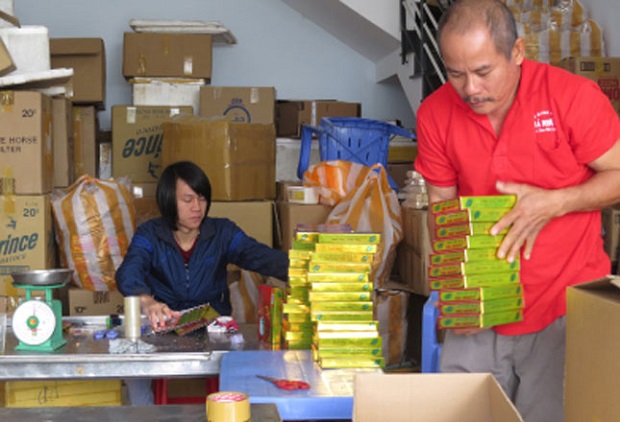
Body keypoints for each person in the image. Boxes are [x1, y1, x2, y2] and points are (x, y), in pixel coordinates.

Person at [414, 0, 620, 421]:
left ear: (518, 52)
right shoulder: (435, 114)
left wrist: (556, 202)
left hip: (564, 306)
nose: (470, 89)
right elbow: (441, 206)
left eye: (484, 71)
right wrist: (459, 295)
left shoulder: (572, 97)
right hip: (481, 309)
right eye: (456, 74)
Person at [115, 160, 289, 405]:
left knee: (249, 366)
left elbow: (260, 256)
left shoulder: (223, 233)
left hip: (213, 327)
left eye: (202, 199)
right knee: (134, 371)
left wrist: (307, 269)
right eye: (187, 200)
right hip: (165, 325)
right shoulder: (150, 234)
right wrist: (147, 301)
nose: (197, 207)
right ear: (168, 200)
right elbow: (128, 272)